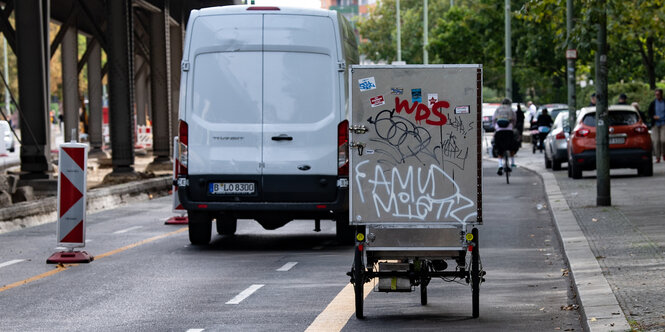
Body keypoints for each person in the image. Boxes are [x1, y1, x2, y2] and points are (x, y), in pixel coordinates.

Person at [493, 98, 516, 175]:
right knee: (512, 146)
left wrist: (495, 128)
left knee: (499, 148)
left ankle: (500, 165)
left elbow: (494, 119)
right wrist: (512, 126)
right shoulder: (511, 109)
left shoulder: (498, 109)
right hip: (509, 131)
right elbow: (514, 119)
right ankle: (512, 163)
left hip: (499, 131)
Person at [647, 88, 665, 163]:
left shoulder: (664, 102)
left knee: (663, 140)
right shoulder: (653, 103)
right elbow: (649, 113)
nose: (657, 96)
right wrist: (653, 116)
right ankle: (658, 157)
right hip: (655, 124)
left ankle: (664, 153)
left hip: (664, 123)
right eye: (656, 94)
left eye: (658, 94)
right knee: (656, 141)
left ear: (661, 94)